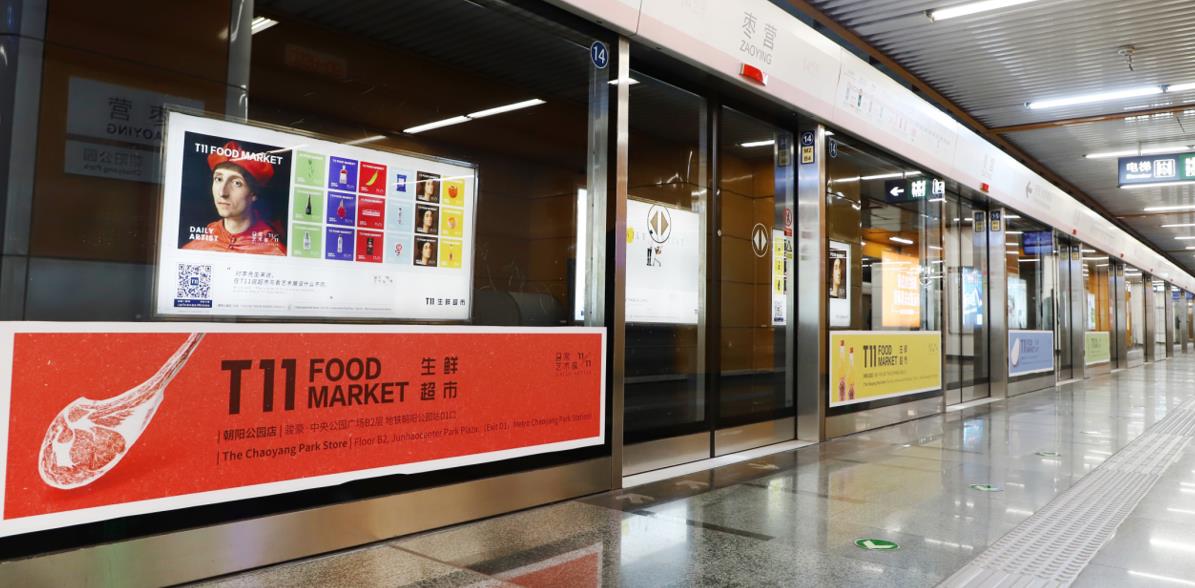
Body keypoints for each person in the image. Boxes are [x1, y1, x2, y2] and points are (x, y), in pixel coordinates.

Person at [183, 141, 286, 255]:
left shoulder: (274, 252)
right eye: (218, 179)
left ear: (254, 193)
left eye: (237, 183)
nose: (222, 192)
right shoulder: (195, 247)